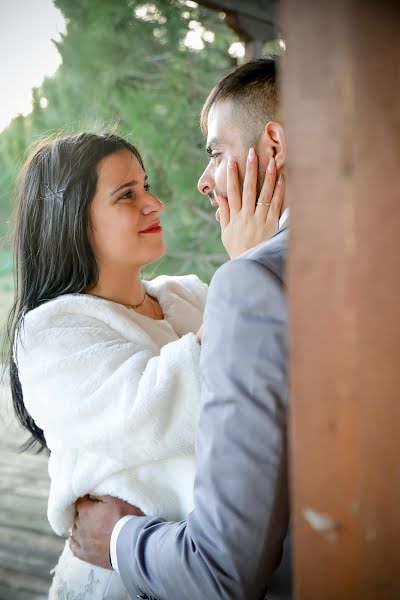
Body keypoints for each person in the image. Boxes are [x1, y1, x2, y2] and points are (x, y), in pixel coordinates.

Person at [7, 126, 282, 596]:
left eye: (147, 186)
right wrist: (247, 266)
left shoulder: (187, 296)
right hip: (121, 580)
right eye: (126, 194)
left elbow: (254, 387)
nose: (153, 204)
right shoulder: (49, 334)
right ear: (71, 220)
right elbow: (160, 411)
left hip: (202, 563)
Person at [70, 57, 291, 600]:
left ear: (275, 146)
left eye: (216, 152)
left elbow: (221, 572)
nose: (199, 182)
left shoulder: (244, 286)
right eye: (127, 194)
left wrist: (117, 537)